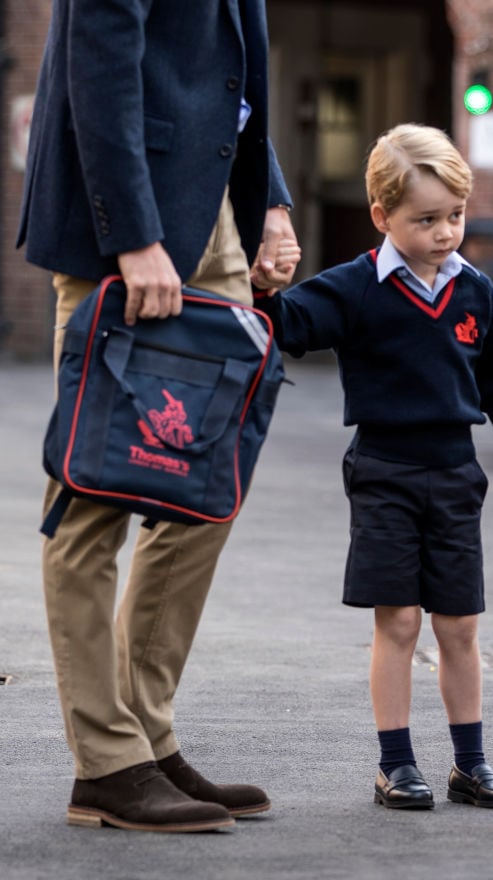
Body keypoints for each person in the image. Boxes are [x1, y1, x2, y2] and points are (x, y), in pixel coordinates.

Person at [18, 0, 300, 832]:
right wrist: (134, 236)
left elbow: (228, 77)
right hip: (128, 222)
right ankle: (106, 764)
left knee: (204, 477)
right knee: (96, 485)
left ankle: (146, 731)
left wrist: (270, 201)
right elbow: (99, 67)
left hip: (210, 205)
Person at [255, 124, 493, 811]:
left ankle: (471, 764)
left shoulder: (476, 293)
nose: (445, 233)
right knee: (399, 621)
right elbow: (286, 326)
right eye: (426, 220)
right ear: (382, 217)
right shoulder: (354, 289)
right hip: (383, 472)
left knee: (459, 626)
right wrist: (265, 284)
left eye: (456, 217)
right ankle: (396, 765)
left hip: (456, 475)